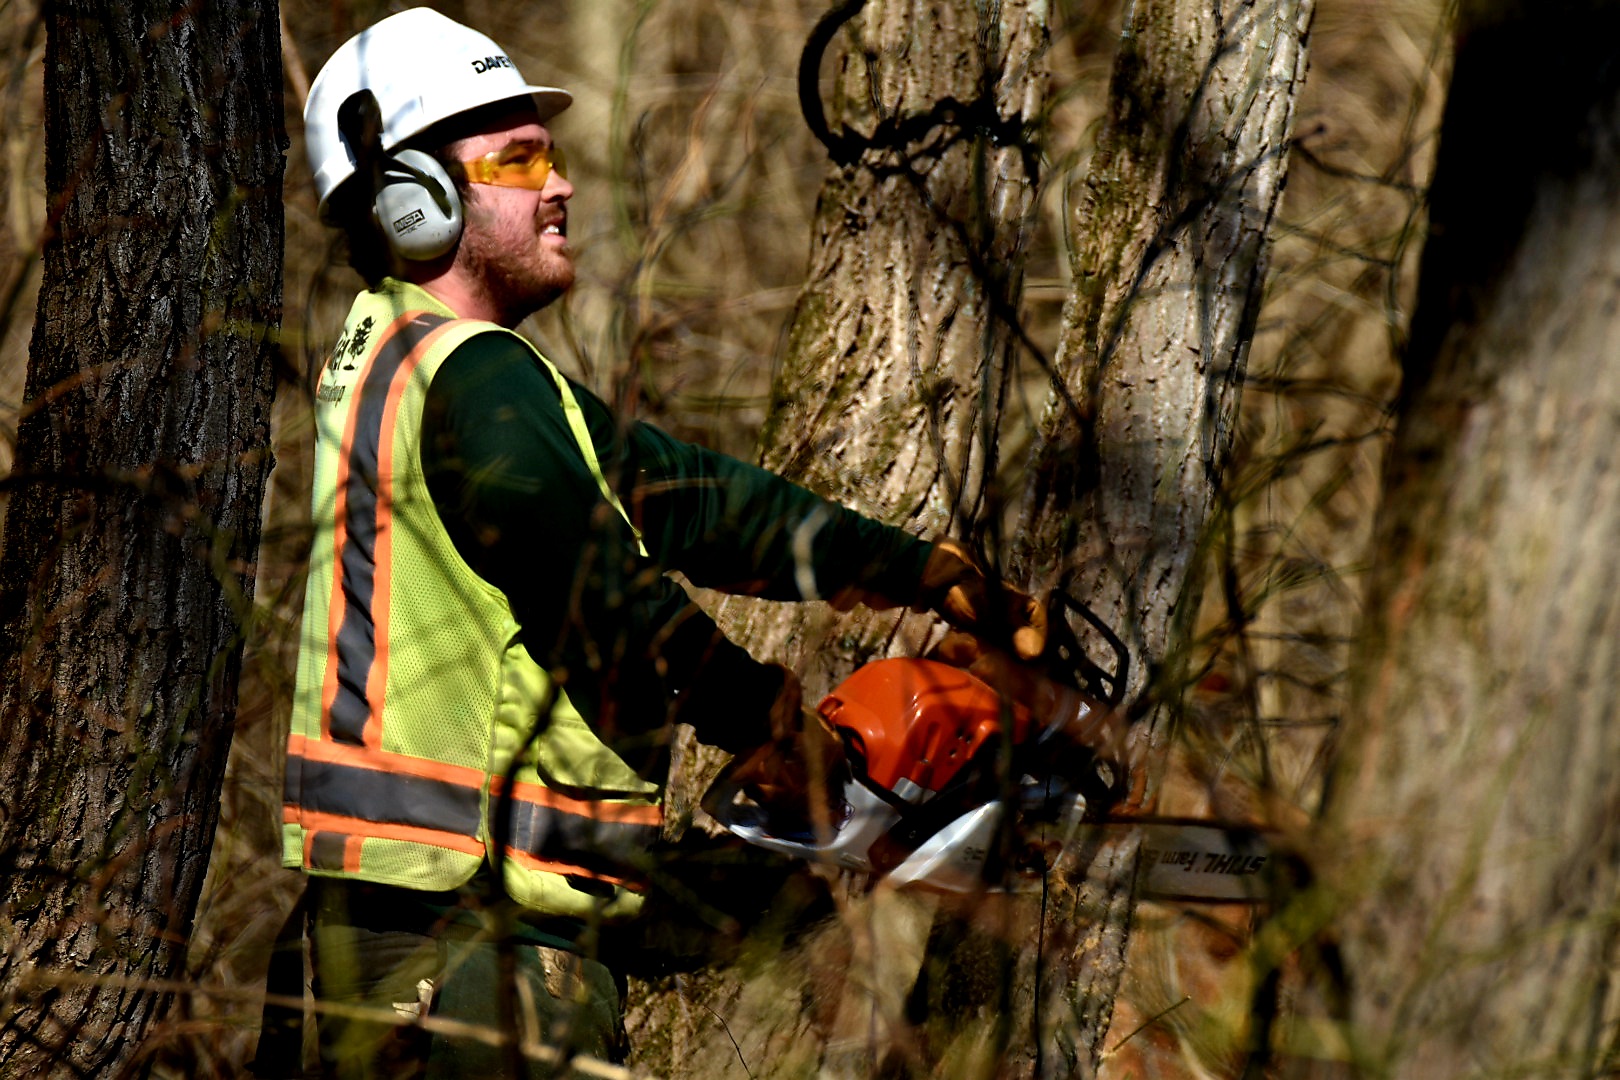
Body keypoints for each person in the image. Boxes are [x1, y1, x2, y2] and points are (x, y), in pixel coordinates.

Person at [257, 8, 1045, 1077]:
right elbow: (598, 592)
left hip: (415, 941)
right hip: (472, 964)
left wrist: (919, 571)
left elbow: (700, 502)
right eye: (520, 158)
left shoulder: (420, 365)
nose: (561, 184)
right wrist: (766, 723)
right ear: (417, 199)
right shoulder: (474, 383)